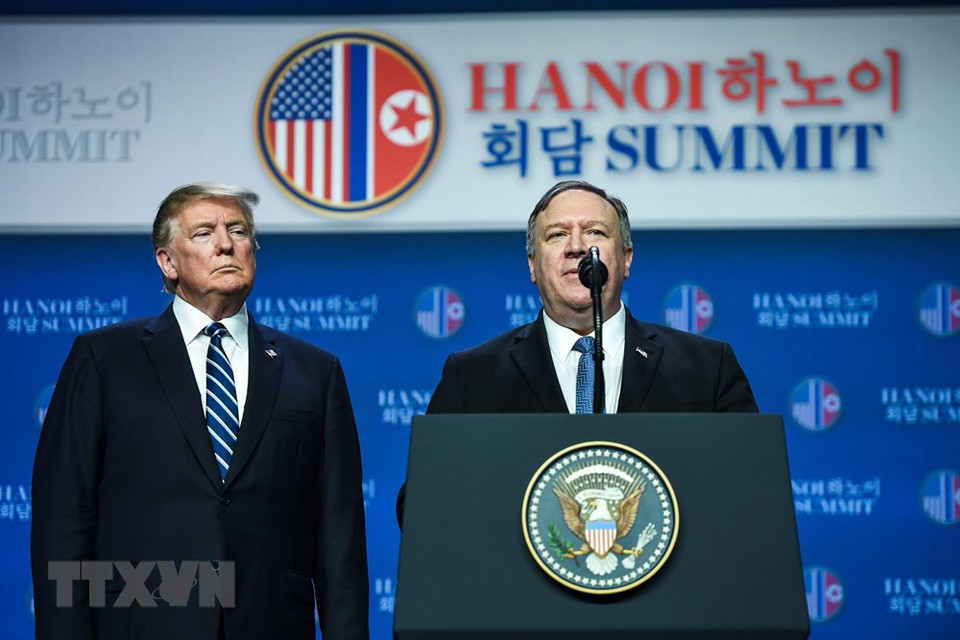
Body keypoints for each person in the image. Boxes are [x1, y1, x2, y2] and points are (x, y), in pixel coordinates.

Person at [31, 182, 369, 640]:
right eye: (204, 233)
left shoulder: (315, 371)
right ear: (167, 262)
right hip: (143, 621)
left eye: (238, 230)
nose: (226, 243)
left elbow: (340, 536)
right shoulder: (104, 359)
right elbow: (64, 517)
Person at [397, 179, 757, 522]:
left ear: (627, 259)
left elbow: (751, 494)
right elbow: (422, 506)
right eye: (557, 235)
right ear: (533, 265)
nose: (577, 247)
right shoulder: (473, 376)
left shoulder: (707, 369)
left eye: (595, 232)